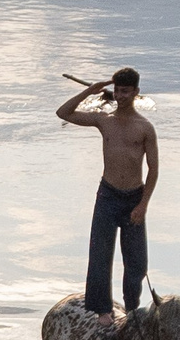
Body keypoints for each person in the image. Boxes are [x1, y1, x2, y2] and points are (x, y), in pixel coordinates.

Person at [57, 66, 159, 318]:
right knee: (100, 255)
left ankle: (132, 309)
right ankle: (103, 311)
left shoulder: (144, 127)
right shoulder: (105, 120)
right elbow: (64, 113)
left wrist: (143, 205)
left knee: (136, 264)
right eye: (117, 90)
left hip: (134, 197)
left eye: (126, 91)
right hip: (108, 196)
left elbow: (154, 170)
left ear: (136, 92)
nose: (121, 96)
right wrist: (90, 92)